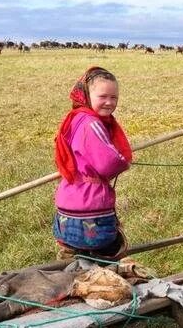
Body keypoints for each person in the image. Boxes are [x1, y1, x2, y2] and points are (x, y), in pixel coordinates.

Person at [53, 66, 132, 261]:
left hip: (67, 202)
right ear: (87, 96)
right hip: (90, 206)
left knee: (71, 258)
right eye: (103, 96)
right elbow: (109, 163)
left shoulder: (75, 119)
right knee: (108, 256)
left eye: (114, 97)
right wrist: (124, 161)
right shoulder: (91, 123)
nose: (109, 102)